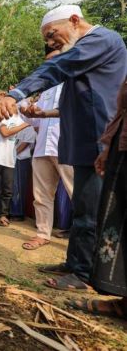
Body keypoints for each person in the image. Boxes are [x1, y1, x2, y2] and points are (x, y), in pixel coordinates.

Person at [0, 4, 127, 291]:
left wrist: (15, 93)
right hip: (81, 140)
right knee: (81, 209)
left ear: (75, 20)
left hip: (98, 141)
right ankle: (74, 263)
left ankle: (85, 274)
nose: (50, 43)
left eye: (52, 34)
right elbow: (76, 102)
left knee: (90, 211)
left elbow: (57, 66)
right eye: (47, 39)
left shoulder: (102, 40)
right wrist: (45, 114)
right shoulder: (84, 53)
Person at [69, 77, 127, 318]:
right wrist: (108, 147)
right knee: (118, 220)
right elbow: (121, 109)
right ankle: (124, 301)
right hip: (122, 143)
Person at [20, 49, 74, 250]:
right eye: (47, 62)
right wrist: (26, 109)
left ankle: (88, 240)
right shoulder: (46, 90)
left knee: (77, 195)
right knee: (41, 196)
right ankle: (43, 234)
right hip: (42, 147)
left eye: (54, 60)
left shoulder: (74, 84)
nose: (50, 65)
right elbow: (35, 120)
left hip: (66, 147)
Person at [9, 124, 37, 220]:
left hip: (21, 159)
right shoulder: (13, 125)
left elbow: (25, 144)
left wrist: (12, 154)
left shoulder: (29, 127)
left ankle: (18, 213)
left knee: (19, 187)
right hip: (11, 159)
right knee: (11, 186)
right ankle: (10, 211)